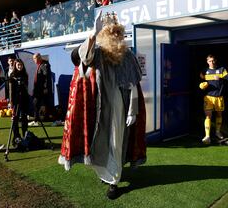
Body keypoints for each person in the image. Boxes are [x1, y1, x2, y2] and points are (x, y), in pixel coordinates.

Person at [58, 11, 146, 199]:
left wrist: (133, 110)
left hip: (119, 106)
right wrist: (91, 34)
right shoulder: (97, 52)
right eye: (108, 32)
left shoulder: (128, 55)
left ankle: (114, 181)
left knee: (115, 141)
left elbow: (133, 86)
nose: (113, 36)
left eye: (116, 32)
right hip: (98, 107)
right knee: (100, 141)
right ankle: (106, 174)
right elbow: (84, 58)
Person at [199, 54, 228, 144]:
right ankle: (207, 136)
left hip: (219, 97)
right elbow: (200, 80)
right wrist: (201, 86)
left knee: (219, 115)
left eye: (213, 60)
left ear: (215, 61)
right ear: (207, 61)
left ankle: (217, 132)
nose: (211, 62)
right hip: (208, 97)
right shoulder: (204, 71)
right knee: (208, 116)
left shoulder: (221, 69)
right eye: (209, 61)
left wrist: (220, 77)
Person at [9, 59, 29, 146]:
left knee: (24, 117)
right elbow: (10, 90)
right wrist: (11, 102)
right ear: (15, 66)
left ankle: (25, 134)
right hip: (15, 100)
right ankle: (16, 136)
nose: (20, 66)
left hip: (24, 99)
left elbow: (26, 87)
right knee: (15, 118)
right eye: (18, 65)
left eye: (21, 65)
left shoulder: (25, 75)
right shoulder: (12, 75)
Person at [32, 53, 53, 124]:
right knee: (37, 103)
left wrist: (46, 88)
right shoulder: (40, 65)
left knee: (37, 103)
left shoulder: (44, 65)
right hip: (38, 89)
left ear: (39, 58)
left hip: (42, 89)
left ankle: (37, 119)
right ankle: (38, 118)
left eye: (35, 58)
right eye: (33, 59)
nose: (34, 60)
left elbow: (46, 77)